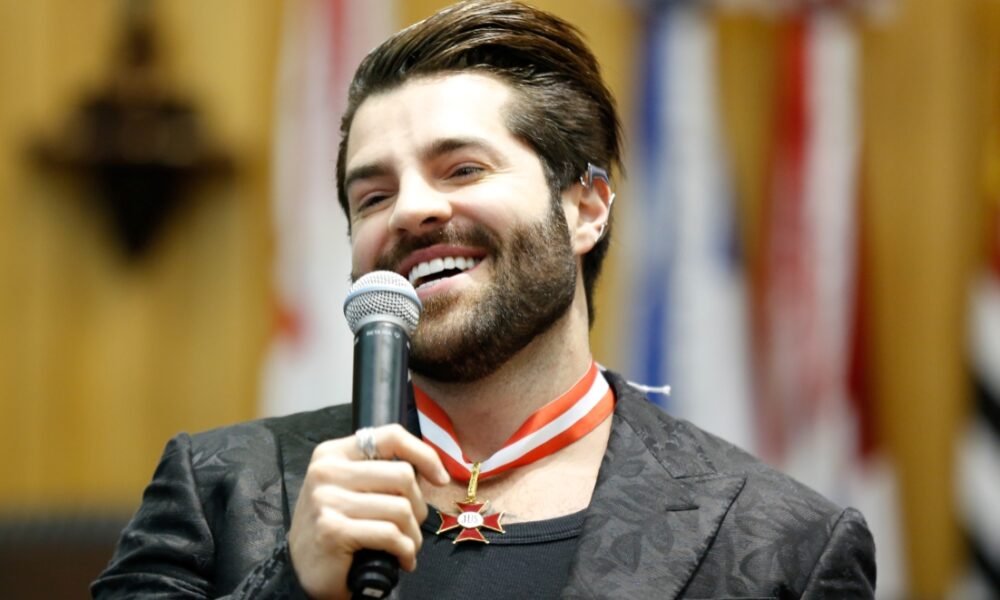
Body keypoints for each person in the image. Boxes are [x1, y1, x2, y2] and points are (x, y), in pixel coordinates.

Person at [92, 1, 877, 598]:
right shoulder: (218, 489)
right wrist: (290, 588)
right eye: (372, 196)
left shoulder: (782, 544)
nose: (410, 210)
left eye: (462, 169)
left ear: (587, 208)